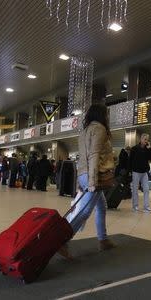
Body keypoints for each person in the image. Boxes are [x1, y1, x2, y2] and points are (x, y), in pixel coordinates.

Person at [59, 103, 115, 258]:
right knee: (84, 211)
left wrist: (79, 182)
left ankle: (103, 240)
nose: (108, 117)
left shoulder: (84, 131)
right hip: (93, 175)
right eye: (106, 114)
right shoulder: (100, 129)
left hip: (84, 173)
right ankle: (62, 241)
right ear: (102, 115)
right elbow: (94, 155)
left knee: (102, 206)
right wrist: (92, 182)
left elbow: (81, 158)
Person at [129, 133, 151, 213]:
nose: (146, 141)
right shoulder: (134, 148)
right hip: (136, 172)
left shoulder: (147, 149)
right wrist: (130, 171)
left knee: (146, 189)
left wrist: (149, 149)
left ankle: (146, 207)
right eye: (145, 139)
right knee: (135, 189)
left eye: (147, 140)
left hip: (144, 172)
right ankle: (135, 206)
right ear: (141, 139)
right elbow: (130, 160)